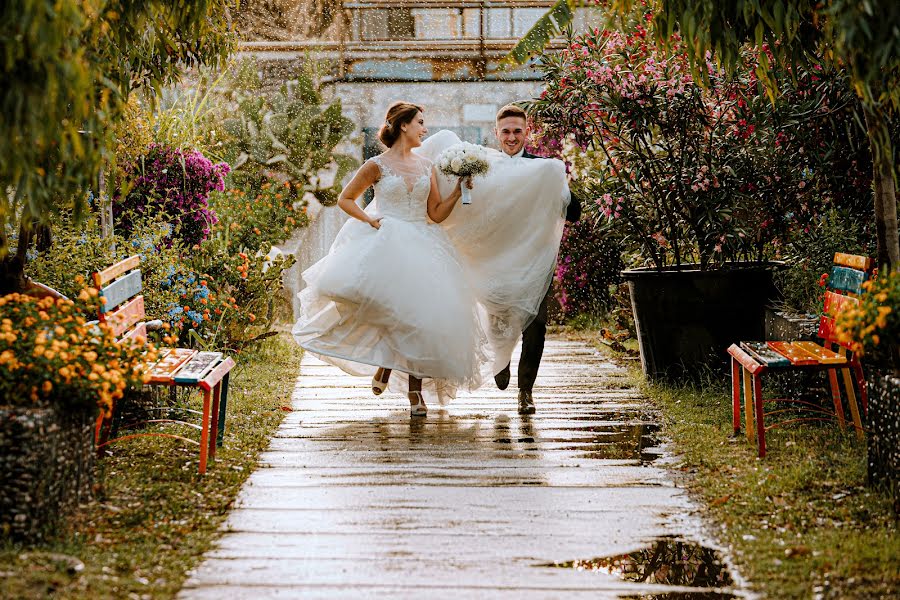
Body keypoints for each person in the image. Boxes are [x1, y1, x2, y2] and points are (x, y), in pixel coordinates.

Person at [292, 101, 488, 417]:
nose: (425, 129)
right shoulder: (375, 165)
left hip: (424, 241)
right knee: (393, 310)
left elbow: (435, 214)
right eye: (420, 122)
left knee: (421, 316)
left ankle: (414, 390)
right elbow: (345, 199)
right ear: (403, 125)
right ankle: (387, 364)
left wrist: (457, 192)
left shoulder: (427, 166)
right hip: (388, 239)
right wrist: (368, 220)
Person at [491, 104, 582, 414]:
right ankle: (499, 362)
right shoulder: (484, 167)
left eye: (518, 131)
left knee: (536, 324)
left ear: (527, 132)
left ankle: (525, 390)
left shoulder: (544, 168)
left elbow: (574, 212)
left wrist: (562, 191)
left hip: (534, 263)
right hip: (496, 260)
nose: (512, 137)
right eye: (506, 131)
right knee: (498, 321)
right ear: (497, 133)